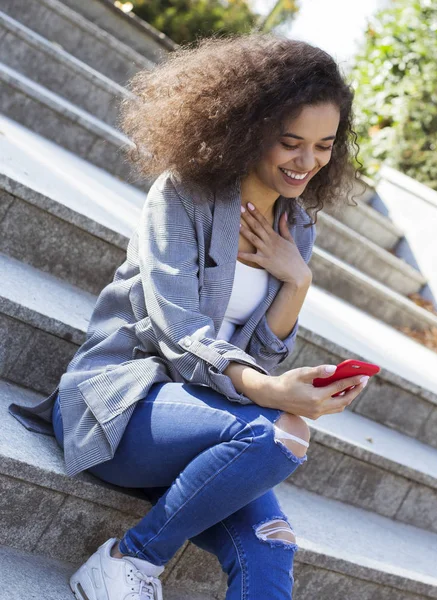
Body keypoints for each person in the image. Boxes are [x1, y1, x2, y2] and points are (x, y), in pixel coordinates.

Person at [8, 32, 370, 600]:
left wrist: (297, 280)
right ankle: (131, 558)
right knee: (282, 432)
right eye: (290, 142)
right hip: (124, 406)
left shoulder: (296, 227)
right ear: (249, 127)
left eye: (324, 145)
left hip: (214, 424)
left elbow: (262, 355)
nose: (308, 162)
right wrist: (270, 391)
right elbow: (178, 333)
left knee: (272, 546)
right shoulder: (182, 196)